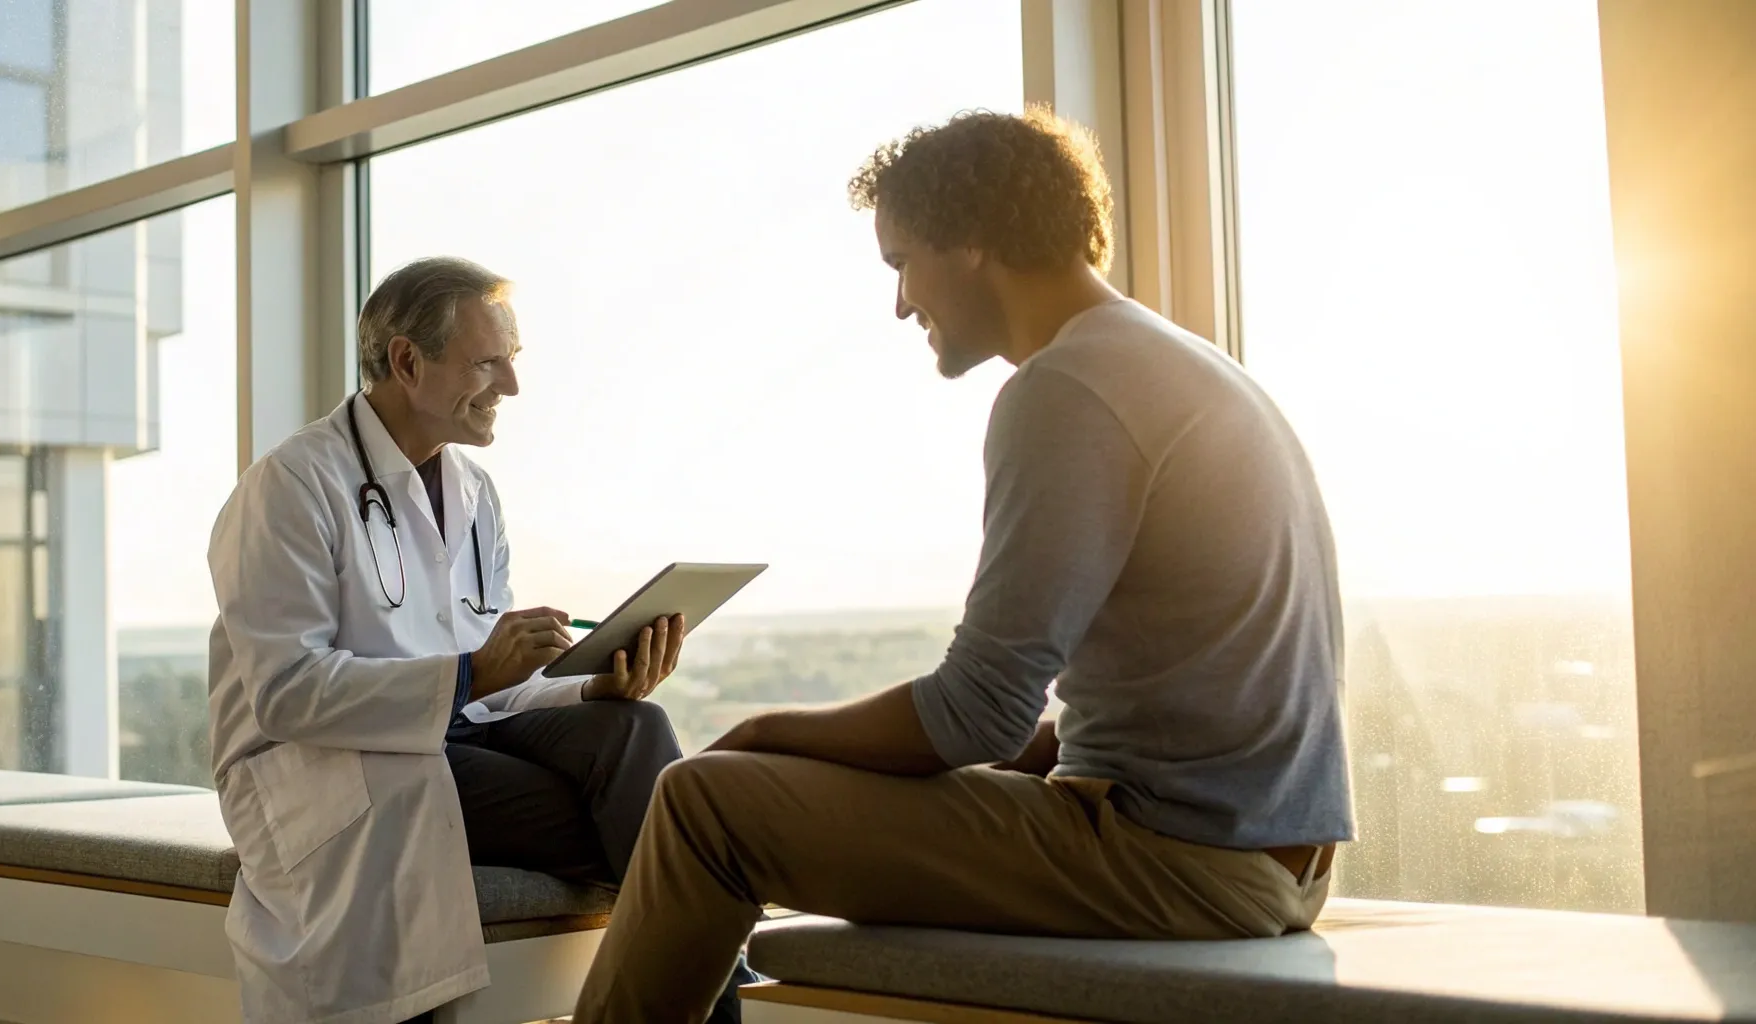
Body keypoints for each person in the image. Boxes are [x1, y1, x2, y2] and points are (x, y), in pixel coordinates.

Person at [572, 109, 1356, 1024]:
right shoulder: (1176, 362)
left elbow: (975, 712)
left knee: (706, 801)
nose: (902, 302)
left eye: (902, 263)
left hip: (1185, 865)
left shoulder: (1065, 389)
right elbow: (1107, 714)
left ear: (972, 238)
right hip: (1273, 860)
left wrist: (763, 732)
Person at [206, 256, 750, 1024]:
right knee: (659, 828)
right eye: (488, 363)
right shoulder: (292, 487)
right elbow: (287, 693)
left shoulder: (472, 491)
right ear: (406, 360)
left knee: (634, 728)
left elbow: (495, 684)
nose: (512, 388)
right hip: (336, 761)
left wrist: (595, 682)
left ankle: (699, 995)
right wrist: (470, 671)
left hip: (453, 735)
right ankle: (718, 998)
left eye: (512, 362)